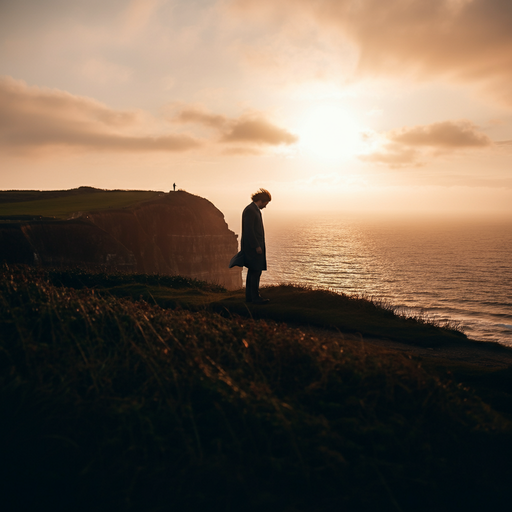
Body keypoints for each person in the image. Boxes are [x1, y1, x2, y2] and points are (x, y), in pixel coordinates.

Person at [241, 188, 271, 304]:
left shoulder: (253, 209)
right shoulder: (251, 210)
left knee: (253, 271)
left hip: (254, 247)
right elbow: (249, 230)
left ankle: (251, 297)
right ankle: (254, 298)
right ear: (261, 200)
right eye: (266, 203)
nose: (265, 206)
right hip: (253, 248)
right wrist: (256, 246)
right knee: (255, 271)